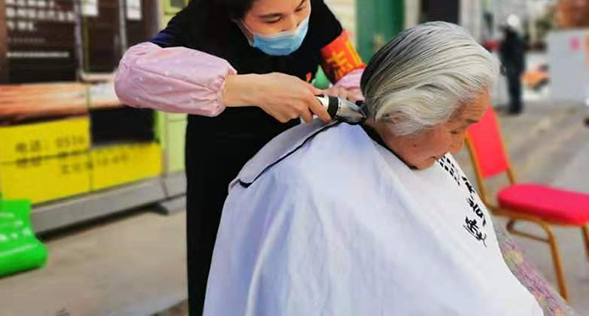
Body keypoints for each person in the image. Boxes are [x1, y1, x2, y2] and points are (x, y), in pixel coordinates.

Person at [204, 22, 544, 316]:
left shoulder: (419, 149)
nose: (458, 147)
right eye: (457, 129)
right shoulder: (303, 187)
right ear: (403, 113)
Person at [114, 0, 365, 315]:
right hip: (222, 167)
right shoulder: (202, 25)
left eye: (299, 7)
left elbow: (352, 72)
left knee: (289, 265)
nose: (293, 25)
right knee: (222, 265)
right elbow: (132, 76)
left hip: (295, 164)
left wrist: (348, 94)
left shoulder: (318, 16)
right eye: (272, 18)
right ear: (235, 14)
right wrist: (250, 89)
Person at [499, 14, 526, 114]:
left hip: (513, 67)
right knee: (514, 88)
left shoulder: (512, 39)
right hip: (513, 66)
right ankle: (515, 106)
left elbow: (514, 54)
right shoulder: (513, 38)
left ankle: (515, 107)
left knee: (514, 88)